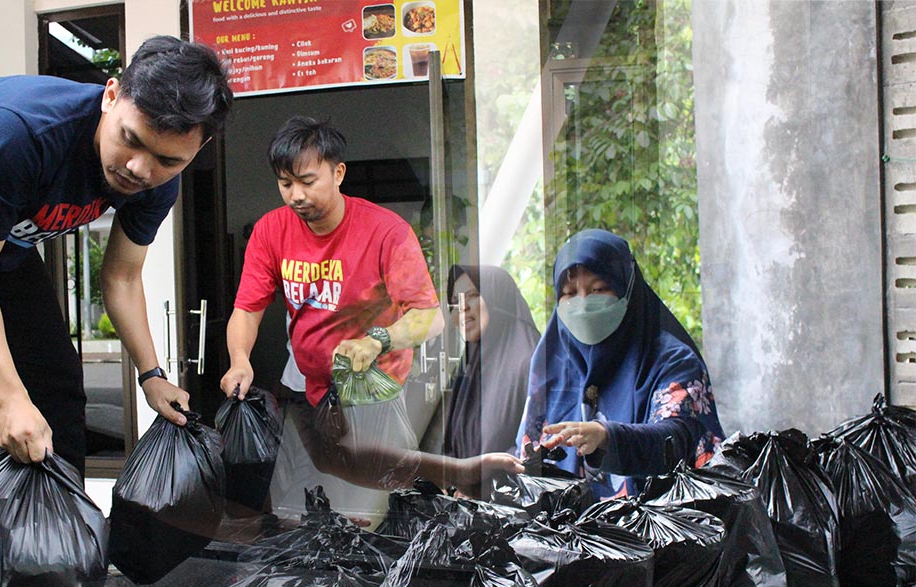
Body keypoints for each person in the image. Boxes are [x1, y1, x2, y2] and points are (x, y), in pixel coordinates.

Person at [0, 36, 232, 587]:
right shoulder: (24, 133)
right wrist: (6, 398)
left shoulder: (159, 180)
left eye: (167, 159)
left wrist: (152, 374)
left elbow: (119, 277)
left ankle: (56, 563)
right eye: (131, 140)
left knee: (58, 390)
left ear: (195, 151)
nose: (140, 168)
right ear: (111, 95)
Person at [221, 115, 521, 522]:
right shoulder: (271, 231)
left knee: (382, 487)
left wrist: (376, 339)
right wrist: (240, 359)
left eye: (307, 181)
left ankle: (452, 482)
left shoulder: (385, 232)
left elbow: (428, 318)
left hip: (374, 394)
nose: (295, 195)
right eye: (285, 183)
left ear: (338, 172)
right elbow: (247, 309)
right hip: (309, 387)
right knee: (322, 487)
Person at [517, 228, 725, 499]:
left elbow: (678, 439)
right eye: (569, 293)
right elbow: (528, 455)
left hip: (654, 532)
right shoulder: (552, 366)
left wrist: (606, 437)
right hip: (565, 535)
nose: (583, 304)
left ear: (628, 288)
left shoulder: (671, 360)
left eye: (599, 289)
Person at [444, 265, 540, 458]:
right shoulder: (470, 367)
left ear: (498, 298)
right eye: (456, 301)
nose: (463, 307)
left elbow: (536, 445)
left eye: (472, 295)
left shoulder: (530, 364)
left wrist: (480, 482)